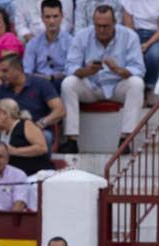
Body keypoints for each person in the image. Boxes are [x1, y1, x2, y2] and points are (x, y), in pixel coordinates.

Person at [58, 5, 146, 154]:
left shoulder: (130, 36)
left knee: (137, 83)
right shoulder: (82, 36)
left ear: (114, 23)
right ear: (93, 23)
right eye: (98, 26)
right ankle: (71, 140)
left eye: (105, 26)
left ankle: (125, 140)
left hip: (117, 85)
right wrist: (86, 71)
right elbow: (70, 68)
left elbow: (139, 69)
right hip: (91, 85)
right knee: (68, 83)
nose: (101, 30)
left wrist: (118, 70)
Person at [0, 53, 65, 137]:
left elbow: (60, 110)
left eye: (5, 71)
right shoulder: (2, 88)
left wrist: (42, 122)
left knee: (45, 136)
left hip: (36, 130)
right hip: (8, 130)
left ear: (19, 69)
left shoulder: (41, 83)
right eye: (0, 71)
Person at [0, 98, 55, 176]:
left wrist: (15, 151)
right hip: (16, 176)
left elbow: (42, 148)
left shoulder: (26, 125)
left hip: (36, 174)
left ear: (5, 114)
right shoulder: (1, 133)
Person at [121, 0, 159, 92]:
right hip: (135, 34)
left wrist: (147, 44)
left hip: (157, 36)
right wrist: (134, 44)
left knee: (153, 55)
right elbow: (128, 26)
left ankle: (148, 87)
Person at [25, 0, 73, 93]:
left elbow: (71, 71)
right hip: (38, 83)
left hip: (61, 83)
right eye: (48, 17)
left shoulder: (71, 42)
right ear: (42, 18)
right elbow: (27, 71)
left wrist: (51, 77)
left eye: (55, 16)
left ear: (62, 16)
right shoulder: (33, 43)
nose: (52, 21)